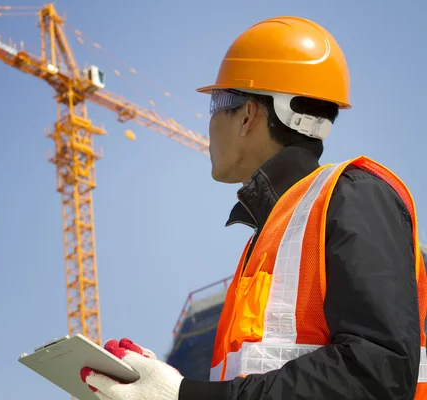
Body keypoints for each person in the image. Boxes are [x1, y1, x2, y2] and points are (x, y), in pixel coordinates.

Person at [80, 15, 427, 400]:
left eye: (215, 103)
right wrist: (164, 385)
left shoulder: (355, 195)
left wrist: (186, 396)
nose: (208, 122)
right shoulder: (271, 237)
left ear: (248, 115)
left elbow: (378, 372)